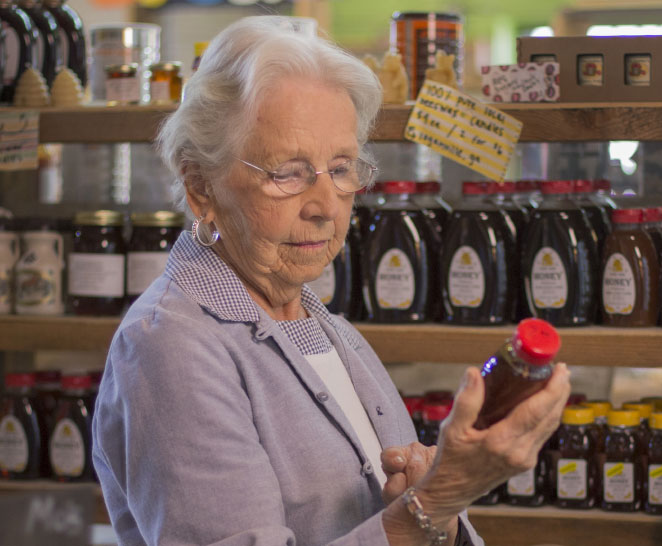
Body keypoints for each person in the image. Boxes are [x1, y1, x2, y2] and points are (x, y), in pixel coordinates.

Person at [92, 16, 570, 546]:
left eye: (341, 168)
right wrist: (433, 503)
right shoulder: (172, 346)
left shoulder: (325, 326)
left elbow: (419, 525)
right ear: (201, 186)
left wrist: (437, 511)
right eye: (287, 173)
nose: (324, 207)